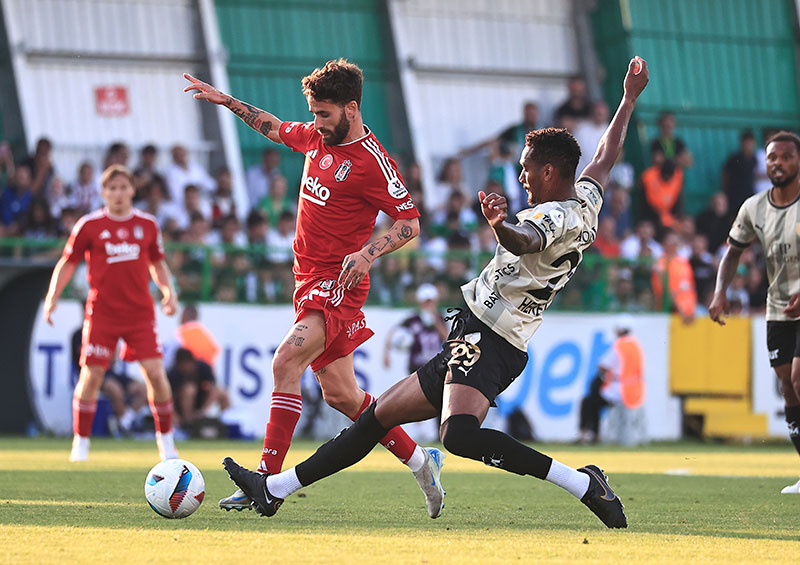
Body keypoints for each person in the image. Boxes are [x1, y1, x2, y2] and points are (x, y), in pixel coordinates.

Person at [221, 56, 649, 528]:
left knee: (460, 435)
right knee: (375, 416)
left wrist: (500, 225)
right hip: (473, 330)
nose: (521, 179)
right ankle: (272, 488)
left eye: (526, 171)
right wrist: (627, 99)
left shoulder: (547, 218)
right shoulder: (586, 199)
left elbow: (525, 240)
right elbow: (605, 155)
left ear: (549, 171)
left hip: (493, 336)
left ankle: (585, 484)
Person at [184, 58, 443, 514]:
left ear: (352, 107)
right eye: (315, 114)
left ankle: (264, 481)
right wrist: (226, 101)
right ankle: (422, 461)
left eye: (325, 114)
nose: (317, 123)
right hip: (306, 279)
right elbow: (274, 127)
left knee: (286, 361)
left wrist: (368, 253)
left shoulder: (373, 162)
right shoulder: (315, 138)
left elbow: (411, 221)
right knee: (342, 395)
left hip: (337, 284)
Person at [43, 164, 180, 462]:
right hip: (102, 314)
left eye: (123, 187)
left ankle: (166, 443)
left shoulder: (147, 225)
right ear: (103, 192)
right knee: (91, 376)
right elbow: (67, 263)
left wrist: (169, 292)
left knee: (156, 374)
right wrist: (52, 297)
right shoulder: (89, 226)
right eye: (112, 188)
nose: (118, 193)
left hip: (140, 313)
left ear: (132, 189)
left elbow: (158, 263)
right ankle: (80, 444)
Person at [709, 131, 800, 494]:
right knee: (787, 388)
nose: (777, 163)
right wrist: (720, 292)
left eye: (786, 157)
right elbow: (732, 252)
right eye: (772, 157)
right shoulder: (753, 207)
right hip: (778, 309)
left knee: (798, 377)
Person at [578, 315, 645, 443]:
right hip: (635, 392)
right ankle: (593, 434)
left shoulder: (620, 345)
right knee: (594, 400)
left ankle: (589, 434)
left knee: (589, 401)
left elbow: (603, 365)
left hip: (619, 391)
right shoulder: (635, 345)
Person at [383, 284, 449, 374]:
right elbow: (394, 331)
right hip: (416, 367)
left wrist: (435, 320)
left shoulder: (441, 318)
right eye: (426, 302)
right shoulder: (413, 319)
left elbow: (447, 338)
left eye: (431, 302)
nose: (428, 305)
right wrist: (386, 353)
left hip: (436, 367)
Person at [167, 347, 230, 429]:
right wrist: (174, 416)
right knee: (189, 390)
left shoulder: (204, 368)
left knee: (223, 393)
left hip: (201, 404)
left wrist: (202, 412)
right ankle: (188, 424)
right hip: (182, 410)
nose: (185, 368)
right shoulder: (173, 373)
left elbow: (214, 389)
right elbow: (168, 399)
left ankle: (226, 426)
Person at [721, 130, 757, 213]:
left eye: (750, 143)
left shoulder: (754, 159)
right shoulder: (734, 159)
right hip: (734, 196)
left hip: (749, 195)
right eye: (746, 143)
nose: (748, 146)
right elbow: (724, 174)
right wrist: (725, 191)